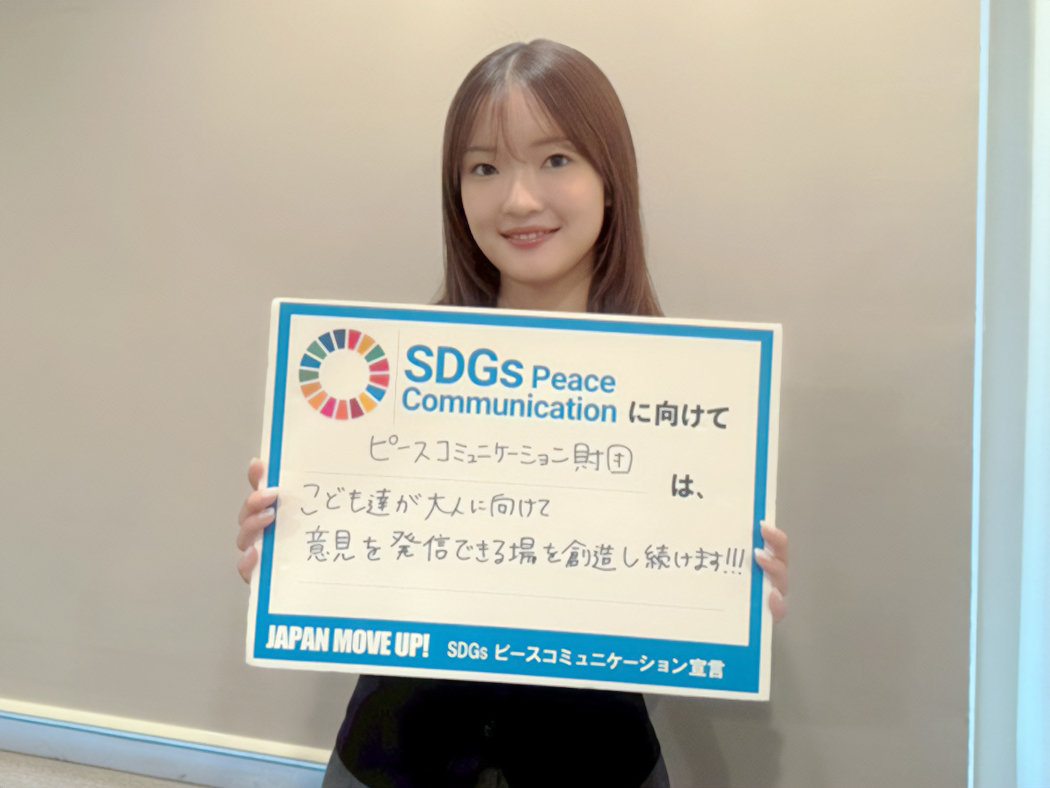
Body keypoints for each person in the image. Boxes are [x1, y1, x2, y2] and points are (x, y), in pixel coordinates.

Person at [236, 39, 789, 788]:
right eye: (484, 168)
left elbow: (671, 605)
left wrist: (732, 596)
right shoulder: (386, 381)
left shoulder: (689, 396)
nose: (519, 200)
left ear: (610, 178)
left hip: (594, 763)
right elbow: (359, 576)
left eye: (556, 159)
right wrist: (288, 552)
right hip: (395, 754)